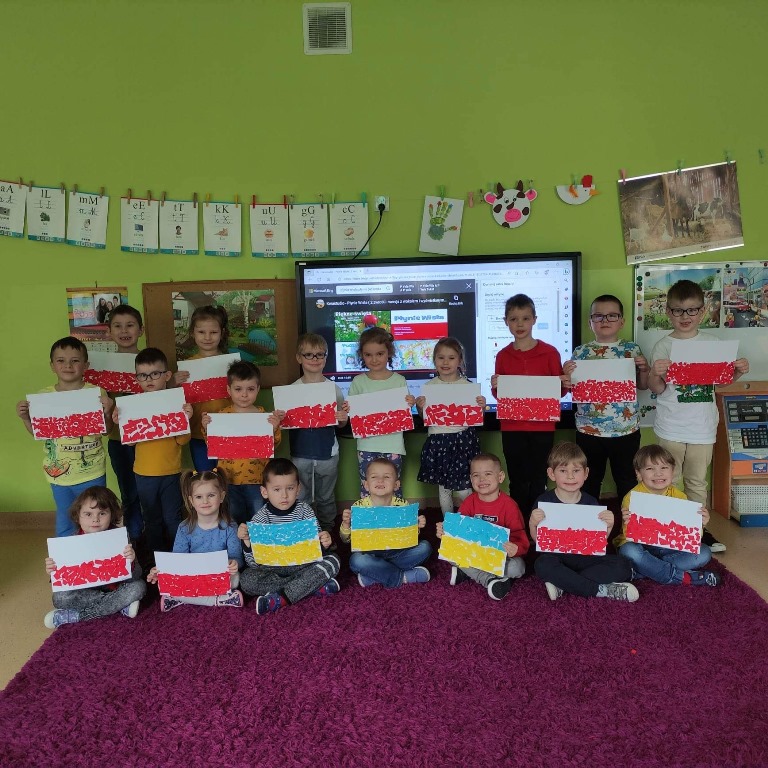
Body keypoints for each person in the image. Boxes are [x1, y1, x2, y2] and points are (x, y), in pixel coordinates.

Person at [649, 279, 749, 552]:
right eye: (678, 310)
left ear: (702, 312)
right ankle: (670, 532)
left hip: (703, 428)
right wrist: (655, 373)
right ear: (668, 312)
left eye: (692, 310)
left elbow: (720, 384)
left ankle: (697, 532)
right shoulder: (663, 346)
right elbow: (657, 389)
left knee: (696, 483)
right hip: (670, 427)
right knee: (669, 480)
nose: (685, 316)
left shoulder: (713, 344)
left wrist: (737, 372)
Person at [562, 295, 649, 527]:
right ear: (590, 322)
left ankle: (631, 529)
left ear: (621, 321)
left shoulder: (631, 350)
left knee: (627, 481)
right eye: (598, 316)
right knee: (589, 481)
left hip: (626, 430)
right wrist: (566, 378)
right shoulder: (581, 352)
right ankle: (588, 528)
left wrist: (644, 369)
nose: (605, 320)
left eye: (612, 315)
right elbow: (572, 390)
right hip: (588, 430)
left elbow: (642, 386)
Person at [16, 337, 113, 537]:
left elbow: (107, 430)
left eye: (75, 360)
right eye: (61, 360)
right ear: (52, 365)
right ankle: (67, 556)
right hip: (58, 474)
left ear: (86, 365)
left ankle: (98, 555)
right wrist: (25, 418)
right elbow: (37, 432)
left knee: (96, 519)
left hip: (92, 471)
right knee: (66, 520)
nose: (68, 365)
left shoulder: (97, 393)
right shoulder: (43, 397)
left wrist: (108, 411)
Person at [531, 442, 638, 602]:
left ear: (586, 473)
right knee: (542, 564)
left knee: (623, 565)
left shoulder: (591, 502)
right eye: (563, 471)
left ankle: (563, 584)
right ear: (551, 474)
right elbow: (537, 540)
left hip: (586, 559)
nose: (570, 476)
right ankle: (601, 590)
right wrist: (533, 523)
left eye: (576, 471)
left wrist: (609, 526)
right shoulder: (544, 501)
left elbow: (598, 543)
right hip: (558, 558)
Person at [491, 294, 566, 523]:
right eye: (514, 319)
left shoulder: (550, 353)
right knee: (517, 478)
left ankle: (537, 522)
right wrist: (496, 387)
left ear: (534, 319)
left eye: (525, 318)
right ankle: (519, 523)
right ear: (506, 322)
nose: (520, 324)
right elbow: (500, 396)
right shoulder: (503, 356)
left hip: (542, 427)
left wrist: (564, 383)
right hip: (512, 427)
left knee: (538, 478)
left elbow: (559, 392)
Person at [113, 348, 193, 559]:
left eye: (155, 374)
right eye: (143, 375)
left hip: (171, 472)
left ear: (167, 375)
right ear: (137, 378)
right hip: (144, 473)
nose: (149, 379)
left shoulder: (176, 402)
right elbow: (130, 443)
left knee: (172, 518)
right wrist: (122, 423)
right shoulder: (132, 405)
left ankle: (178, 557)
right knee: (151, 518)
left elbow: (182, 441)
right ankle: (156, 559)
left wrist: (185, 420)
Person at [237, 458, 341, 614]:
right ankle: (311, 587)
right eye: (277, 489)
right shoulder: (260, 519)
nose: (284, 495)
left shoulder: (305, 511)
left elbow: (316, 551)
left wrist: (324, 542)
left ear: (298, 489)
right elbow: (253, 564)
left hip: (302, 564)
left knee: (333, 560)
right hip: (274, 569)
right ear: (264, 492)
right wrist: (246, 541)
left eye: (290, 488)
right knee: (246, 580)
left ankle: (281, 598)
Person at [615, 445, 719, 587]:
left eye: (664, 468)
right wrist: (628, 522)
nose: (658, 473)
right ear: (638, 474)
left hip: (670, 548)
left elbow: (690, 539)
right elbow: (629, 536)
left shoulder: (680, 497)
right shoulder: (632, 498)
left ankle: (645, 570)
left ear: (672, 471)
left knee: (704, 552)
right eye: (650, 469)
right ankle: (683, 577)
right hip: (643, 547)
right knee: (628, 551)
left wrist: (700, 524)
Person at [43, 487, 146, 628]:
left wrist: (132, 561)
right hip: (86, 592)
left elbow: (136, 576)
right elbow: (63, 582)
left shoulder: (120, 538)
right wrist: (53, 570)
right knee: (59, 598)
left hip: (115, 587)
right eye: (88, 514)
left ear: (112, 514)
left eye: (102, 513)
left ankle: (78, 616)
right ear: (78, 516)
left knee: (139, 587)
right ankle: (118, 606)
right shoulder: (71, 542)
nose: (95, 519)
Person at [279, 333, 348, 536]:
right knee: (302, 497)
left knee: (326, 497)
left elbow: (341, 424)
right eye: (308, 354)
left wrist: (342, 418)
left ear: (326, 358)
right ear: (299, 358)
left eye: (320, 354)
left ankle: (327, 531)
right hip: (300, 454)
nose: (314, 359)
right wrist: (280, 418)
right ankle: (307, 534)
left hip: (328, 453)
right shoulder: (291, 390)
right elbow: (284, 425)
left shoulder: (333, 388)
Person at [147, 469, 244, 611]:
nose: (205, 501)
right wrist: (161, 570)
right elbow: (178, 559)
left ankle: (178, 598)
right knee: (163, 581)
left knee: (235, 578)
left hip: (217, 576)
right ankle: (219, 599)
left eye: (211, 495)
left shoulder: (230, 526)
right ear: (191, 501)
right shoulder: (184, 527)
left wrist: (233, 563)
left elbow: (237, 557)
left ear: (221, 496)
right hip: (194, 577)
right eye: (198, 497)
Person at [436, 453, 527, 600]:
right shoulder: (469, 502)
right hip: (474, 553)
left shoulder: (510, 506)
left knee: (518, 567)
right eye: (476, 475)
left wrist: (516, 548)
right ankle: (489, 580)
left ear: (500, 477)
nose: (482, 479)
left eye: (488, 474)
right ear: (471, 479)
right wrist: (445, 532)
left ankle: (467, 572)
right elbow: (457, 533)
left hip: (498, 556)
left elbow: (520, 536)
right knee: (449, 553)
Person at [201, 361, 282, 526]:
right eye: (238, 389)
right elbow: (212, 445)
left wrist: (274, 428)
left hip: (257, 480)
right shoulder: (221, 416)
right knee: (233, 518)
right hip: (228, 480)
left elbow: (273, 446)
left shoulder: (264, 416)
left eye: (250, 389)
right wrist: (206, 428)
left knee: (258, 518)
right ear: (228, 390)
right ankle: (237, 543)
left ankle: (257, 543)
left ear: (258, 389)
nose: (244, 394)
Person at [415, 337, 486, 515]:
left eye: (451, 358)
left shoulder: (467, 386)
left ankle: (469, 519)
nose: (445, 362)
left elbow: (476, 418)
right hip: (438, 442)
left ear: (460, 360)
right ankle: (448, 523)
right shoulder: (429, 386)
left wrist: (481, 407)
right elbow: (425, 418)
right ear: (434, 360)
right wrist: (420, 408)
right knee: (444, 488)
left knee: (463, 489)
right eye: (441, 358)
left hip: (462, 441)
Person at [344, 327, 415, 497]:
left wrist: (410, 403)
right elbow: (352, 414)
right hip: (367, 446)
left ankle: (396, 516)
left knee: (393, 488)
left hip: (393, 446)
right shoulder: (358, 382)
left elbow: (404, 413)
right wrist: (348, 409)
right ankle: (369, 516)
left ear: (389, 352)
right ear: (362, 355)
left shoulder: (399, 380)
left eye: (380, 354)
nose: (374, 359)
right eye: (368, 355)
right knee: (368, 488)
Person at [340, 457, 432, 588]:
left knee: (425, 547)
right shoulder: (359, 507)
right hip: (370, 554)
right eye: (374, 477)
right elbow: (346, 540)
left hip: (398, 552)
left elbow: (410, 539)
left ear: (396, 485)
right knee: (357, 560)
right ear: (366, 485)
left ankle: (375, 576)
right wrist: (346, 524)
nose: (380, 480)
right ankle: (402, 577)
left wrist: (416, 526)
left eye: (387, 477)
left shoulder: (402, 505)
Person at [174, 305, 231, 471]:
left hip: (227, 430)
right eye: (201, 332)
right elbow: (174, 400)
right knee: (205, 478)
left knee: (228, 478)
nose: (207, 337)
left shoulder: (232, 364)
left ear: (222, 333)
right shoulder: (186, 367)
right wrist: (173, 383)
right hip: (198, 433)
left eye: (213, 332)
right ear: (193, 333)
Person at [105, 304, 144, 543]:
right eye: (117, 326)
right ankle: (135, 541)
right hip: (118, 439)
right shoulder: (103, 367)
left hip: (148, 439)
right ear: (109, 332)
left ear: (141, 330)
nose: (124, 331)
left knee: (150, 493)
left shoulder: (150, 362)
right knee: (129, 494)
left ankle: (152, 541)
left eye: (130, 325)